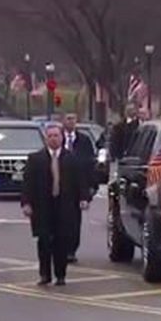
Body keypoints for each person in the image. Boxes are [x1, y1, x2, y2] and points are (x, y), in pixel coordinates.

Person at [21, 123, 91, 286]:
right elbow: (27, 183)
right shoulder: (35, 159)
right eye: (50, 136)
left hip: (64, 205)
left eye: (56, 136)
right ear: (46, 139)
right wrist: (26, 203)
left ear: (62, 138)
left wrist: (84, 198)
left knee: (62, 241)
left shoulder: (71, 158)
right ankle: (45, 274)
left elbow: (81, 181)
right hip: (42, 206)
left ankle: (60, 275)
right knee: (44, 241)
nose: (53, 139)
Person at [62, 112, 96, 263]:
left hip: (77, 187)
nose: (71, 122)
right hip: (59, 185)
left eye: (73, 119)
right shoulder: (57, 138)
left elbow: (90, 164)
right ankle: (59, 248)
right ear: (63, 121)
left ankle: (71, 250)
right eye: (68, 119)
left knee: (74, 220)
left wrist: (91, 187)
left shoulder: (84, 141)